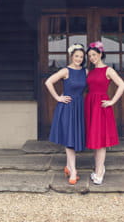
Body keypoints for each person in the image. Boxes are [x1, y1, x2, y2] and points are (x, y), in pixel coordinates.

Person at [85, 41, 124, 185]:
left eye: (94, 55)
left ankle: (99, 172)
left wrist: (112, 101)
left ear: (100, 54)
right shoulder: (89, 71)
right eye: (89, 55)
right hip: (90, 104)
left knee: (100, 140)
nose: (91, 58)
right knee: (94, 139)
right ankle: (99, 167)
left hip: (101, 106)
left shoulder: (108, 70)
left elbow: (122, 85)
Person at [45, 43, 87, 185]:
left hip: (80, 107)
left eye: (81, 56)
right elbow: (48, 82)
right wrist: (58, 97)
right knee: (69, 140)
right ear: (71, 56)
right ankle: (73, 171)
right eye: (76, 56)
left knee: (75, 139)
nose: (79, 59)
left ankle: (69, 167)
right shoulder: (65, 71)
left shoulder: (85, 72)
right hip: (68, 107)